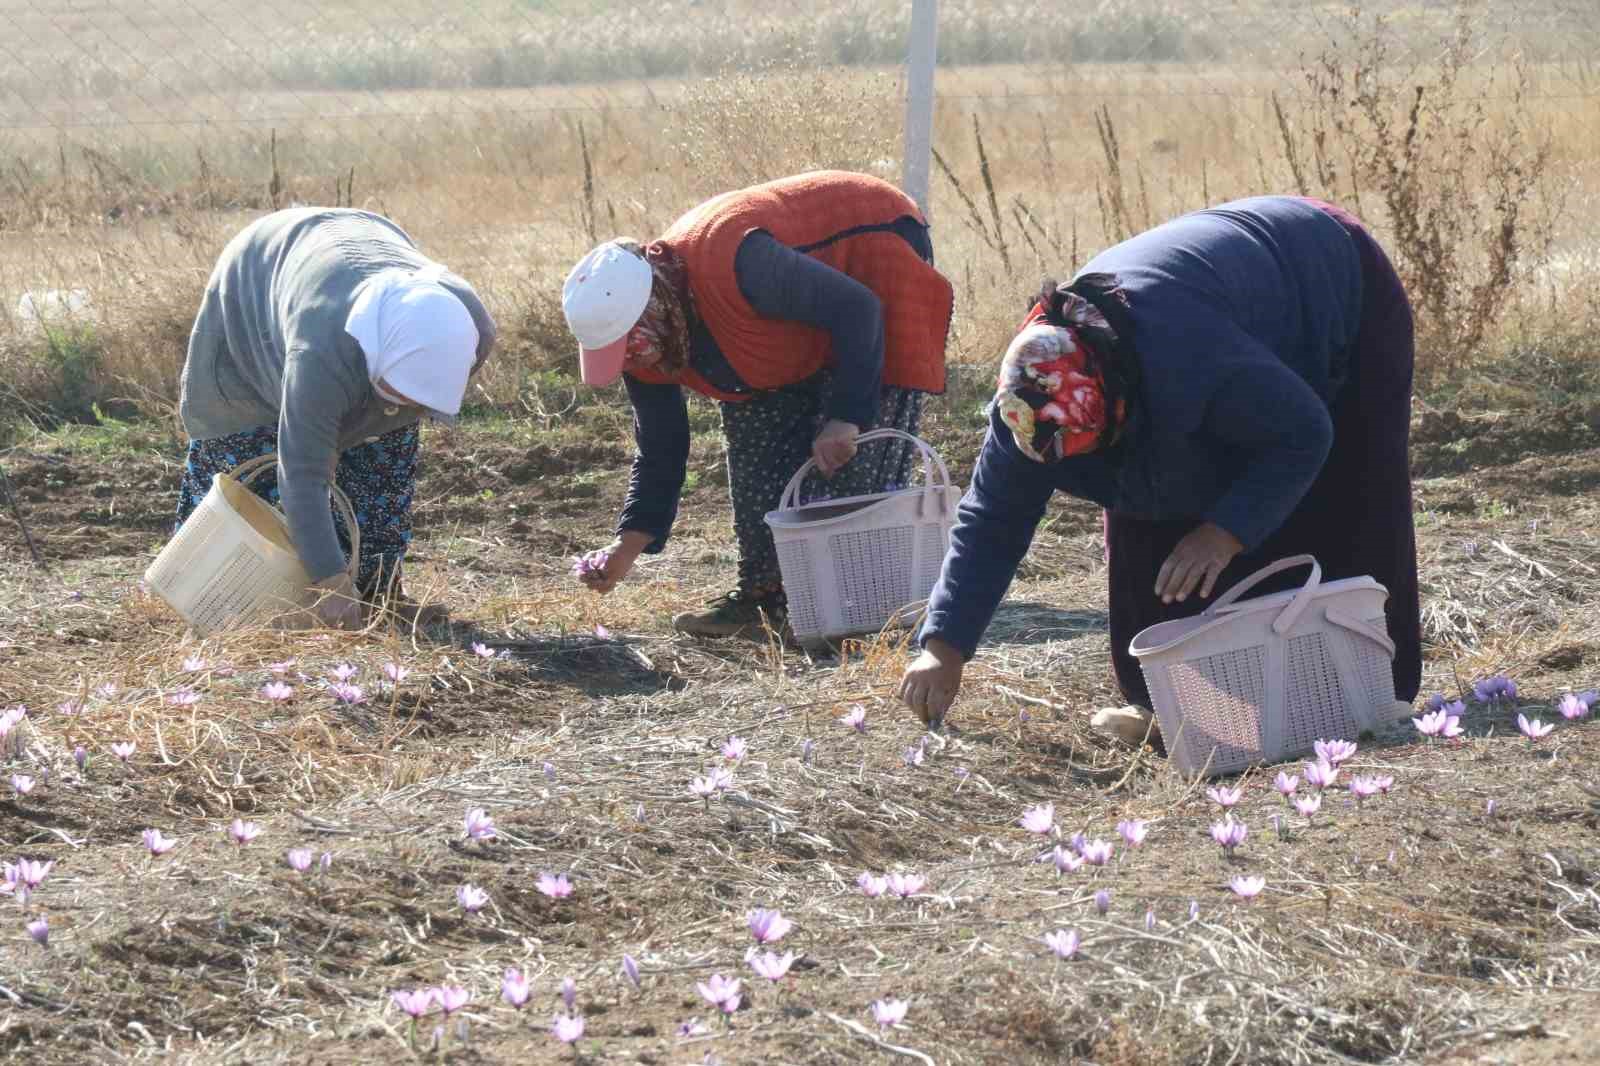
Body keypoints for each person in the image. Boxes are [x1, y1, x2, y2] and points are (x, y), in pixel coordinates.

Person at [898, 195, 1421, 739]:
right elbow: (991, 520)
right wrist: (944, 647)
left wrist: (1225, 532)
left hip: (1335, 285)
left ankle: (1374, 689)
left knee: (1342, 494)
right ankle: (1170, 705)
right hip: (1220, 337)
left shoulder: (1183, 353)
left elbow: (1304, 433)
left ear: (1114, 403)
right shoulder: (1032, 401)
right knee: (1144, 503)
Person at [563, 170, 954, 636]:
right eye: (616, 353)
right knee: (755, 450)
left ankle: (862, 611)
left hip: (873, 247)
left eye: (629, 344)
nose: (631, 359)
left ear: (651, 305)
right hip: (786, 318)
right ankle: (765, 602)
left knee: (852, 461)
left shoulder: (735, 262)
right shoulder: (651, 339)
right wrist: (625, 548)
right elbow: (661, 447)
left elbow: (858, 309)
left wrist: (846, 417)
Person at [176, 207, 496, 627]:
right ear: (376, 356)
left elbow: (402, 403)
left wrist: (362, 431)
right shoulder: (319, 355)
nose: (401, 405)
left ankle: (378, 592)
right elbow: (303, 475)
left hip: (360, 248)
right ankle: (219, 610)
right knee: (248, 484)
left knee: (382, 471)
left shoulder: (471, 330)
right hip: (257, 289)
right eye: (394, 389)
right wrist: (330, 581)